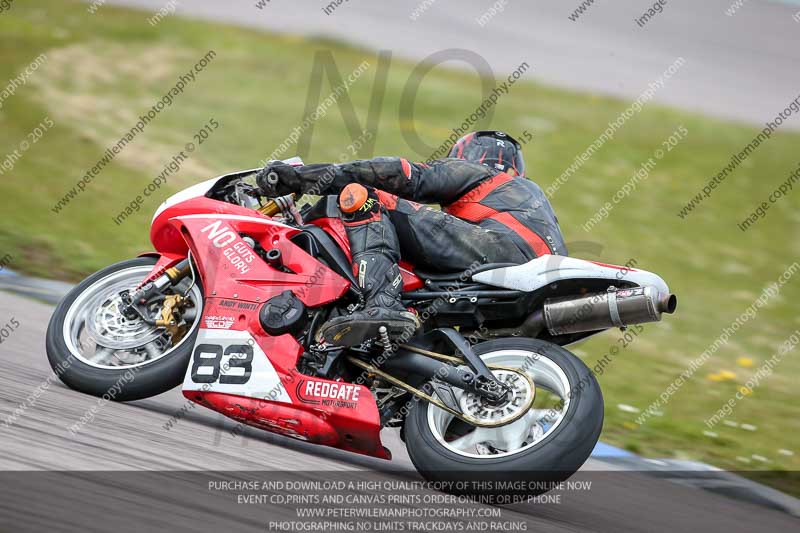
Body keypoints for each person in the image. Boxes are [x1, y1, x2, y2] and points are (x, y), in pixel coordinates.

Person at [256, 130, 567, 347]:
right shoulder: (528, 199)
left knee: (363, 196)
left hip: (499, 249)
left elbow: (400, 175)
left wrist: (301, 178)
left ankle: (383, 303)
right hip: (532, 279)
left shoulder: (481, 175)